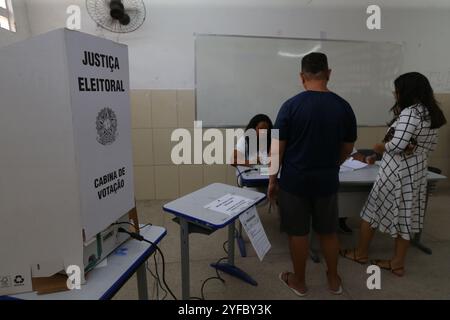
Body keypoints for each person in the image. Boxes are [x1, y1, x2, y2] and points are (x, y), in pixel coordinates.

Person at [340, 72, 447, 277]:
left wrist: (379, 147)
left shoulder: (410, 113)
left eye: (397, 89)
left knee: (370, 212)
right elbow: (423, 146)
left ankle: (360, 253)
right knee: (406, 216)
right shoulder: (429, 113)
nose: (394, 93)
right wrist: (379, 156)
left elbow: (396, 145)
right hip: (415, 170)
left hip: (396, 172)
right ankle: (397, 263)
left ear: (407, 91)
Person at [268, 52, 357, 296]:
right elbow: (347, 149)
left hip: (294, 182)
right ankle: (333, 279)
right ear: (328, 73)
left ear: (301, 76)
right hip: (327, 181)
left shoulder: (290, 106)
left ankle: (298, 281)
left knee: (298, 233)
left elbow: (277, 150)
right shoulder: (343, 107)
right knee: (328, 231)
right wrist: (332, 164)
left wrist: (272, 181)